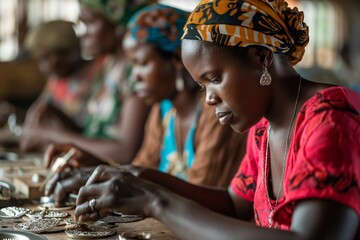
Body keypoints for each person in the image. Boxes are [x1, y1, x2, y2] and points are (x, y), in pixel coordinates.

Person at [73, 1, 360, 240]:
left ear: (261, 57)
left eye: (215, 79)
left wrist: (156, 202)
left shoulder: (330, 120)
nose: (209, 98)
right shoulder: (263, 127)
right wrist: (140, 177)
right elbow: (234, 204)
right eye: (202, 86)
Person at [44, 4, 247, 204]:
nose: (134, 78)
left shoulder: (215, 111)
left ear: (177, 59)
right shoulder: (164, 110)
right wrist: (94, 164)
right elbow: (139, 172)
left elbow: (200, 202)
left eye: (142, 64)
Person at [20, 0, 151, 166]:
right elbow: (92, 136)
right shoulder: (107, 66)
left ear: (118, 24)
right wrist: (57, 114)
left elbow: (125, 152)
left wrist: (51, 134)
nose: (83, 34)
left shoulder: (137, 73)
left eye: (90, 23)